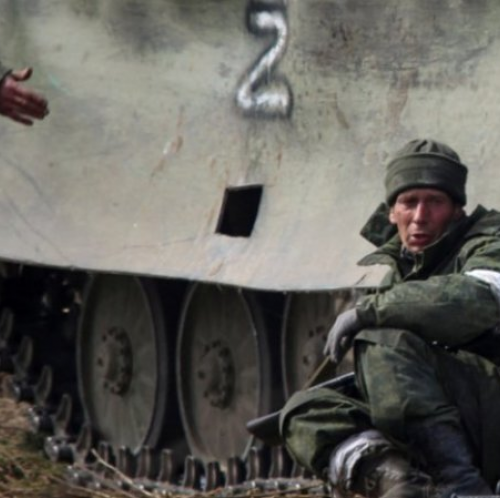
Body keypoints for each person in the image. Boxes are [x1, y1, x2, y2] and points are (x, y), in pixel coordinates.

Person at [279, 139, 500, 498]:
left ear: (457, 210)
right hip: (452, 414)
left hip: (489, 409)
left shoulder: (488, 242)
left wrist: (368, 312)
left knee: (382, 339)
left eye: (435, 202)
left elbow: (477, 298)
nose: (420, 216)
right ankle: (399, 483)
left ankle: (460, 485)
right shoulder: (402, 270)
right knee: (305, 412)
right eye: (409, 202)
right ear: (392, 213)